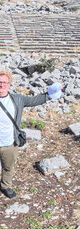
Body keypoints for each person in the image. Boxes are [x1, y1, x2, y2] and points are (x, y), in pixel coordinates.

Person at [0, 70, 62, 199]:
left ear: (9, 85)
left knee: (8, 167)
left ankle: (5, 186)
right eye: (0, 82)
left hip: (10, 143)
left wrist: (50, 93)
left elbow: (35, 100)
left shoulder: (17, 99)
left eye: (5, 82)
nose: (2, 85)